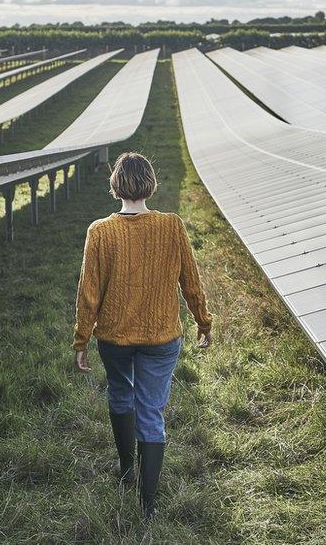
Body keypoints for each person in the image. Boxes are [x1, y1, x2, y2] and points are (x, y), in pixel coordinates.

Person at [72, 151, 213, 520]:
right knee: (151, 411)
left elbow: (89, 292)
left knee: (120, 394)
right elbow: (191, 281)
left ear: (115, 185)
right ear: (150, 184)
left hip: (114, 338)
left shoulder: (100, 231)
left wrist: (82, 339)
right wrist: (203, 321)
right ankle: (147, 505)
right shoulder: (172, 225)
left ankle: (126, 468)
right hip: (161, 337)